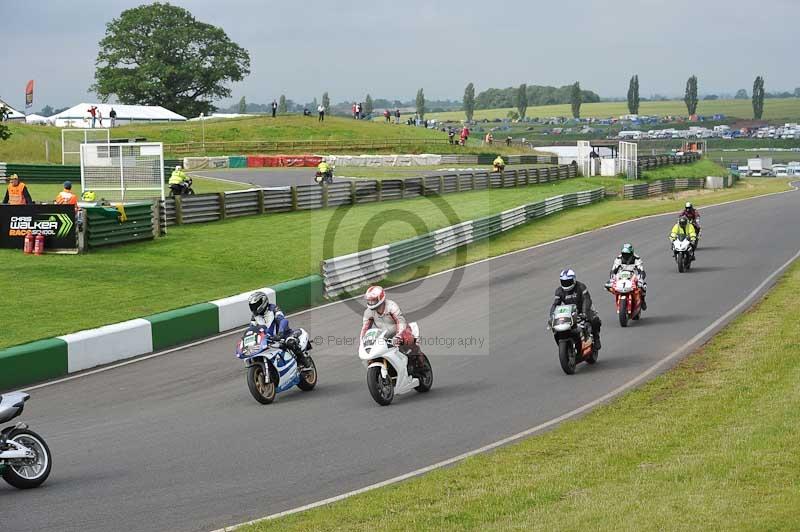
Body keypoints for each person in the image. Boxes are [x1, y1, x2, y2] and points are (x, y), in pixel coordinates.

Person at [360, 286, 426, 369]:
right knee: (371, 353)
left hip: (401, 330)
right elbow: (365, 329)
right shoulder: (368, 312)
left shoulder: (391, 306)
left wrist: (398, 336)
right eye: (369, 300)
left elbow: (400, 321)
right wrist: (362, 341)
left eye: (373, 300)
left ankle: (420, 360)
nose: (371, 302)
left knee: (407, 339)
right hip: (384, 335)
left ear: (380, 298)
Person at [247, 291, 310, 366]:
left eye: (255, 305)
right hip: (267, 340)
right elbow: (251, 329)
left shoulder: (273, 308)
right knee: (252, 354)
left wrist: (280, 333)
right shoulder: (254, 317)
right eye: (252, 306)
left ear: (263, 302)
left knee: (290, 342)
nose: (253, 308)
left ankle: (303, 362)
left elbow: (282, 320)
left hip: (283, 335)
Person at [549, 269, 602, 349]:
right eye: (564, 282)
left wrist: (584, 313)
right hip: (570, 312)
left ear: (573, 280)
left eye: (568, 281)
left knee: (594, 319)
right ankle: (564, 345)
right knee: (556, 327)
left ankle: (596, 338)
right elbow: (555, 304)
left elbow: (587, 299)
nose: (566, 284)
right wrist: (552, 316)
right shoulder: (559, 291)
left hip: (584, 309)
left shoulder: (581, 287)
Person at [608, 243, 647, 310]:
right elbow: (613, 270)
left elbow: (641, 270)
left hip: (632, 275)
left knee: (643, 286)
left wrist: (640, 278)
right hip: (621, 276)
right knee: (608, 286)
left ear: (631, 253)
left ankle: (642, 300)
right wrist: (612, 279)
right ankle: (618, 297)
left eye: (628, 254)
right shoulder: (619, 258)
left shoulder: (636, 258)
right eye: (624, 254)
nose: (626, 256)